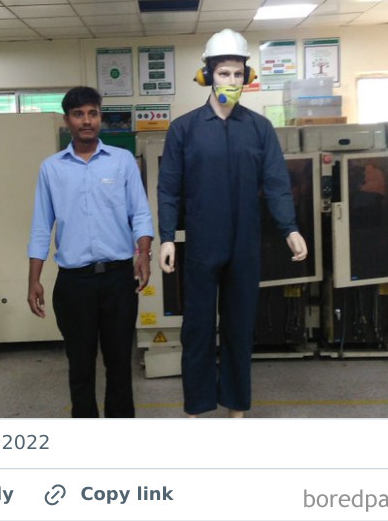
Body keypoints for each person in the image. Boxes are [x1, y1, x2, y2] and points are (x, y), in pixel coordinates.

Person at [157, 29, 307, 417]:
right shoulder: (184, 129)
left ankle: (237, 406)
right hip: (202, 246)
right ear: (208, 75)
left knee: (240, 327)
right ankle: (197, 406)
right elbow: (169, 188)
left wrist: (289, 228)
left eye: (239, 74)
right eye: (224, 73)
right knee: (197, 328)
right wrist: (167, 236)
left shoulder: (259, 128)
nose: (232, 81)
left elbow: (276, 183)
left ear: (248, 76)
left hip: (245, 246)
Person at [27, 86, 154, 418]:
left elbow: (140, 213)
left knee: (119, 365)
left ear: (100, 117)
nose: (87, 121)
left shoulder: (122, 161)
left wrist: (143, 253)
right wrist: (34, 280)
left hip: (118, 281)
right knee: (80, 367)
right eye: (78, 114)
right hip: (74, 284)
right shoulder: (52, 168)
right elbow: (41, 227)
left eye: (93, 113)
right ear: (67, 120)